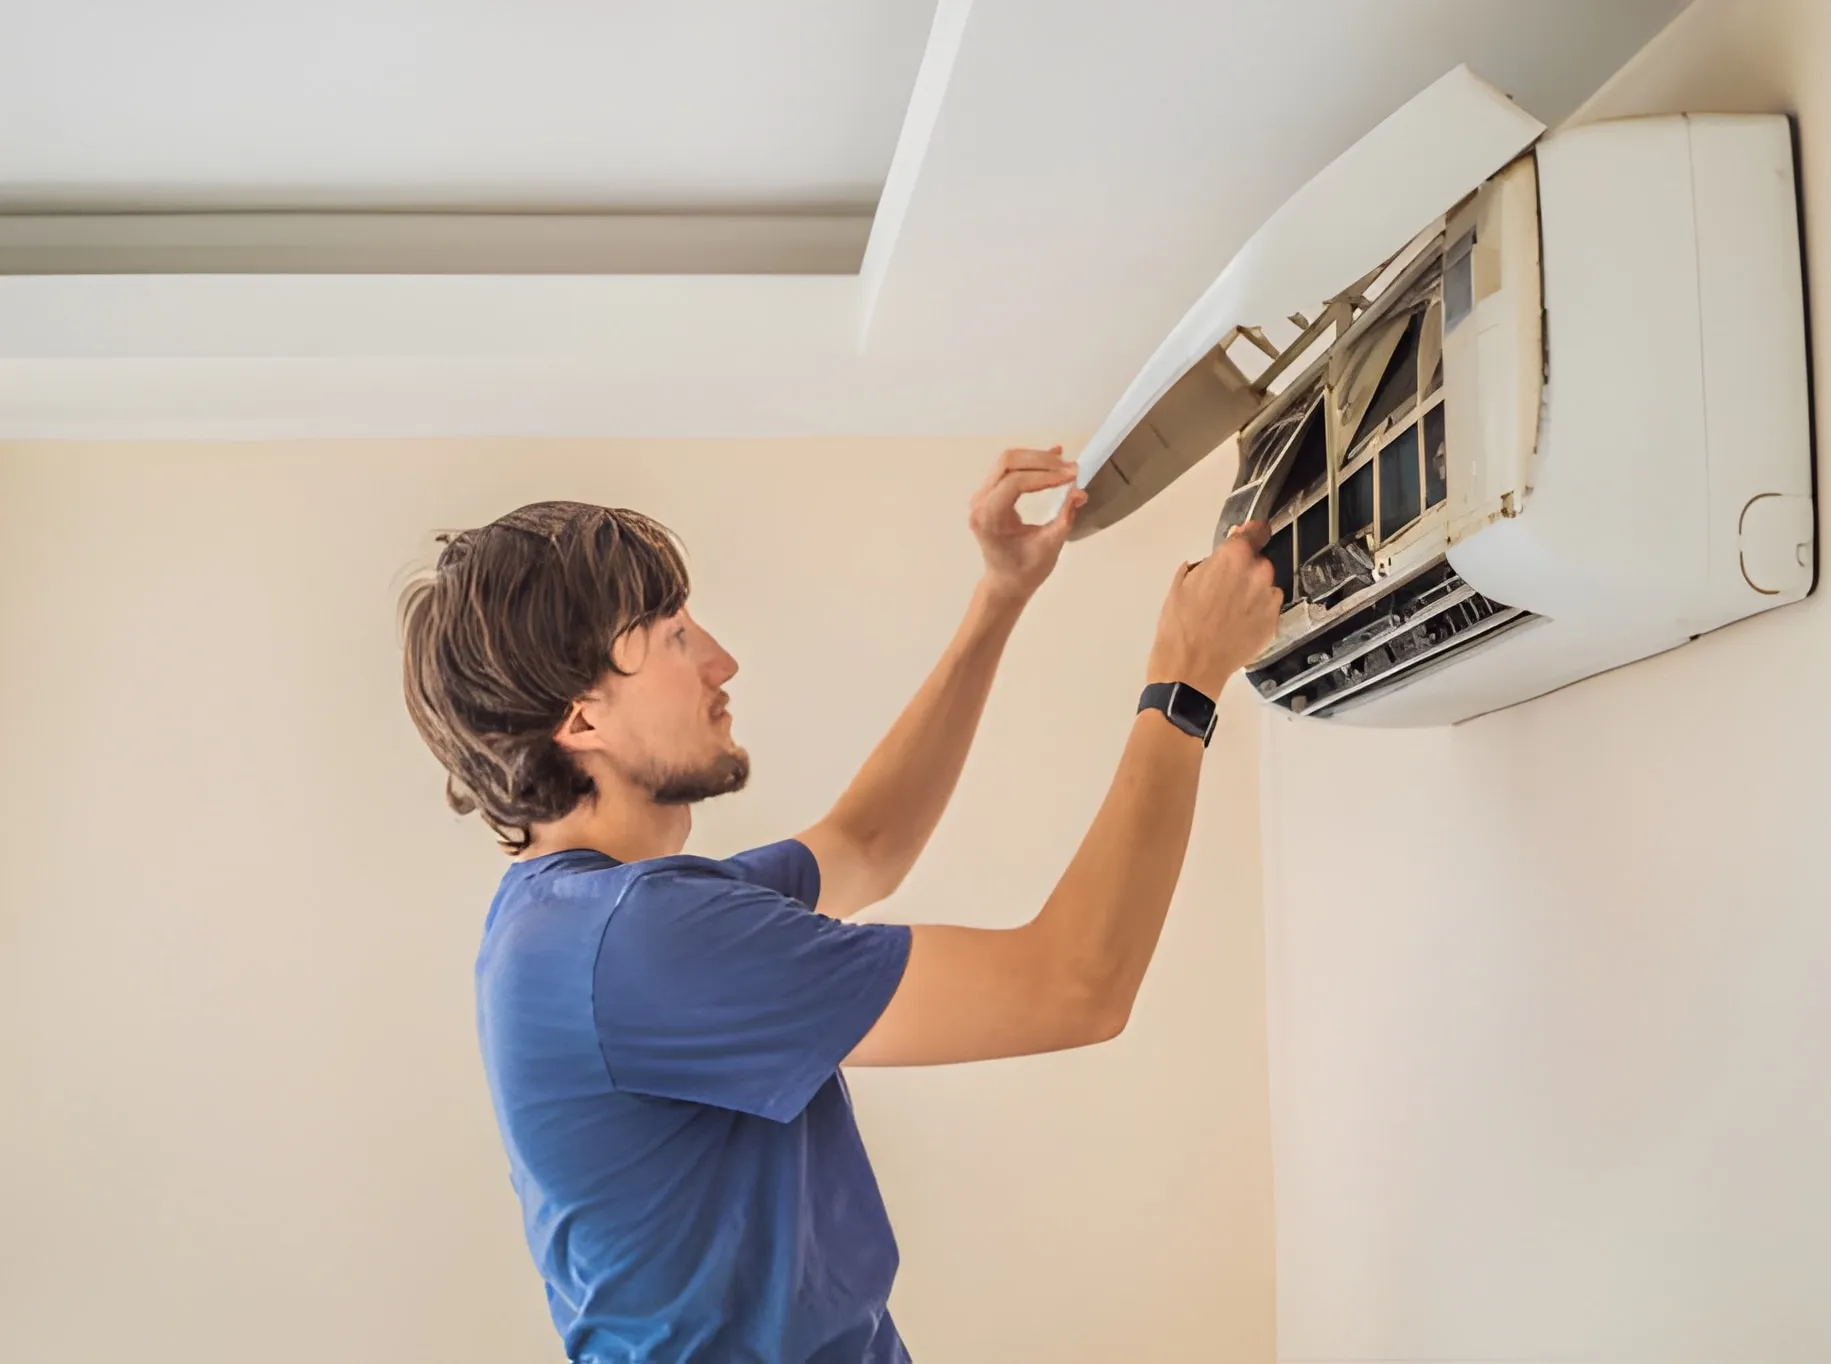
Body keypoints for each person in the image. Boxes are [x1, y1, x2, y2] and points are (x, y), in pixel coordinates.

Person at [398, 445, 1280, 1363]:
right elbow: (1078, 984)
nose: (722, 661)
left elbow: (866, 845)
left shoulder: (581, 921)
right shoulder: (637, 942)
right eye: (674, 638)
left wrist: (1001, 594)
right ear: (583, 721)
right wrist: (1185, 682)